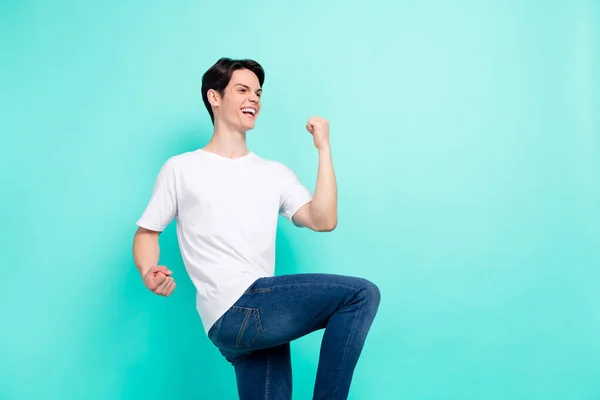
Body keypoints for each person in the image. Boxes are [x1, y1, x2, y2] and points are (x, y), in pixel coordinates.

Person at [132, 57, 381, 400]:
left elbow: (324, 219)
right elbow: (147, 232)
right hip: (238, 308)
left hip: (252, 326)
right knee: (360, 295)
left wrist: (324, 149)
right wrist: (149, 270)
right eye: (242, 90)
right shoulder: (183, 168)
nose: (254, 99)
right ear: (214, 98)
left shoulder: (274, 173)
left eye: (258, 93)